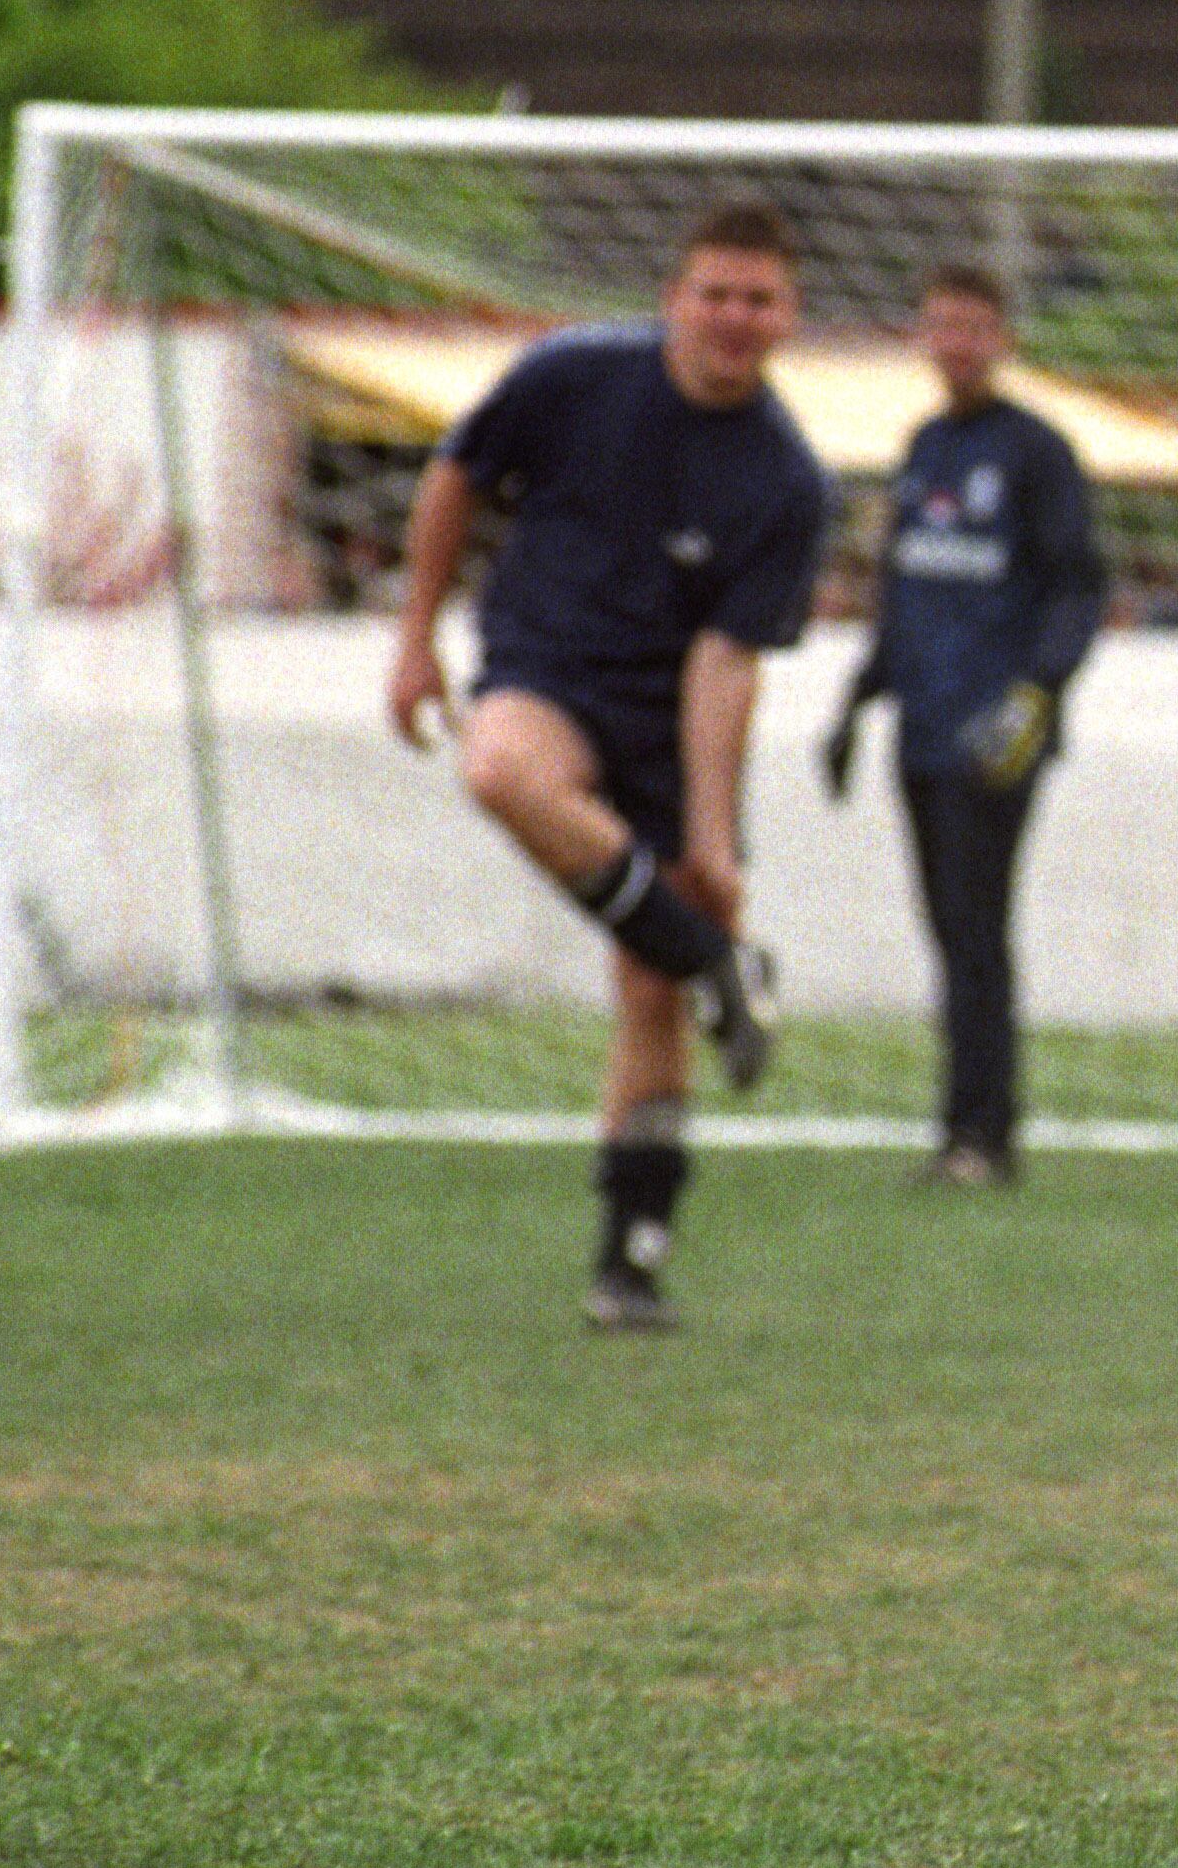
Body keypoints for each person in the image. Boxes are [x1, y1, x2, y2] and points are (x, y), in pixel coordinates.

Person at [386, 200, 829, 1332]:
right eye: (714, 293)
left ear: (789, 316)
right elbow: (456, 473)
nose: (733, 317)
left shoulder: (786, 481)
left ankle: (629, 1262)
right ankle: (725, 967)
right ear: (674, 296)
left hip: (663, 721)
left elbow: (726, 666)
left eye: (757, 299)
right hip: (543, 671)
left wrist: (714, 841)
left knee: (648, 989)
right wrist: (413, 638)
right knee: (498, 771)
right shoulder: (574, 375)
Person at [820, 263, 1107, 1188]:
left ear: (1003, 339)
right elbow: (905, 590)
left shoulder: (1037, 452)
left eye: (974, 326)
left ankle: (985, 1135)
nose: (956, 343)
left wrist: (1038, 693)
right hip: (922, 726)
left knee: (978, 930)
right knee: (945, 927)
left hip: (995, 733)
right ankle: (960, 1131)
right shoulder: (923, 448)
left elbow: (1078, 586)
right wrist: (857, 701)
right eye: (941, 324)